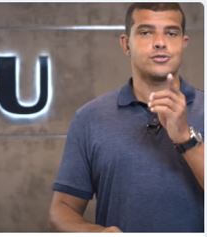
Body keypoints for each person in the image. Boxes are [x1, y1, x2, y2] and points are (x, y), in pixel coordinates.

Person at [49, 3, 204, 232]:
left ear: (183, 43)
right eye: (145, 32)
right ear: (126, 43)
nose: (160, 42)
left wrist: (185, 138)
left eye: (171, 33)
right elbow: (62, 209)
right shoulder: (89, 118)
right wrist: (97, 233)